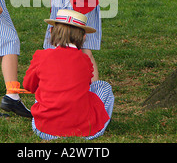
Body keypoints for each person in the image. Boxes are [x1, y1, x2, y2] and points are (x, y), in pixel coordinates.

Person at [23, 9, 114, 140]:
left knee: (41, 90)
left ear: (51, 31)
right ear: (84, 37)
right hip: (85, 132)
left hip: (43, 129)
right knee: (103, 86)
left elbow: (28, 86)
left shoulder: (41, 56)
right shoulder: (85, 60)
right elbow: (87, 86)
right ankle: (98, 121)